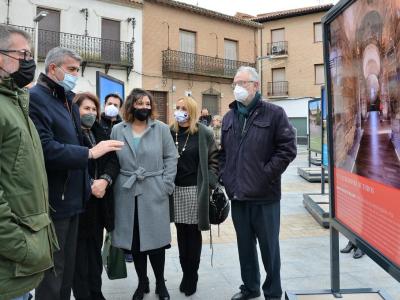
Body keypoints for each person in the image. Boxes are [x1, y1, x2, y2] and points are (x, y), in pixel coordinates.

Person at [29, 47, 123, 300]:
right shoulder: (36, 98)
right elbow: (45, 148)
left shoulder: (66, 99)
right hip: (54, 201)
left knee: (67, 272)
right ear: (52, 69)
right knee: (52, 275)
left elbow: (77, 141)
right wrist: (91, 153)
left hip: (75, 201)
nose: (75, 75)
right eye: (71, 70)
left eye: (76, 71)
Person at [219, 66, 297, 300]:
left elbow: (287, 150)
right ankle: (250, 288)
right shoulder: (229, 117)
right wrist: (226, 177)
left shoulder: (275, 114)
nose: (238, 87)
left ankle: (272, 292)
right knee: (245, 247)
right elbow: (224, 152)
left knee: (269, 249)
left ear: (256, 86)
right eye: (235, 83)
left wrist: (265, 175)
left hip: (265, 197)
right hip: (238, 196)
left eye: (243, 83)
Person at [0, 24, 58, 300]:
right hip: (10, 264)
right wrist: (20, 246)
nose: (30, 61)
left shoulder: (15, 103)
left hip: (19, 268)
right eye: (23, 54)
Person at [110, 88, 177, 300]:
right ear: (131, 106)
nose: (144, 108)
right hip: (127, 193)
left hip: (154, 191)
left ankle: (160, 283)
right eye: (140, 104)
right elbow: (112, 160)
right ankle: (142, 283)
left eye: (148, 104)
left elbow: (171, 158)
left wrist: (166, 185)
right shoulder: (118, 130)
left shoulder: (162, 129)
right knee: (135, 243)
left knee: (157, 244)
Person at [72, 92, 121, 300]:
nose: (90, 113)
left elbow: (114, 160)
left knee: (94, 255)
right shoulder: (71, 133)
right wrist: (90, 184)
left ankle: (96, 293)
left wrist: (105, 180)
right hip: (78, 206)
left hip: (99, 206)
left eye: (93, 109)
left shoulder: (99, 131)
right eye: (86, 109)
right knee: (79, 260)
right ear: (76, 110)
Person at [170, 96, 219, 296]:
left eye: (184, 108)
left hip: (195, 190)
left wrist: (210, 182)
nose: (180, 111)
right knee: (181, 234)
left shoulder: (203, 132)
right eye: (178, 107)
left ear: (192, 111)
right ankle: (185, 272)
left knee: (193, 233)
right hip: (175, 190)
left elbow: (214, 159)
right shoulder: (169, 131)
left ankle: (193, 275)